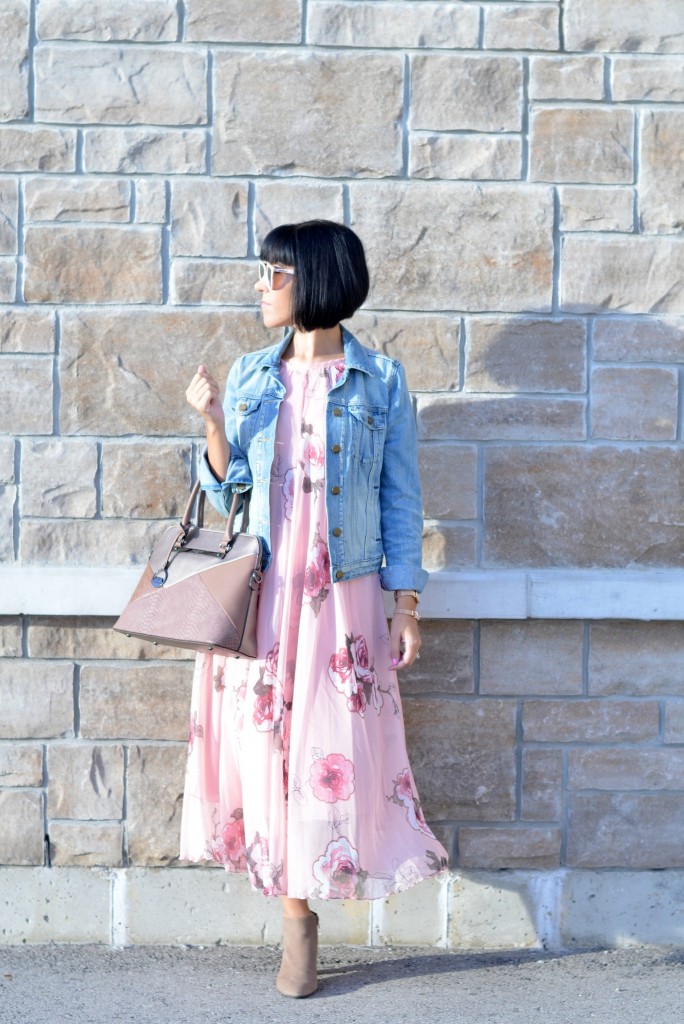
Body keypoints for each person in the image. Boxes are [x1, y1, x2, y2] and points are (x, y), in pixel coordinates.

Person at [181, 220, 448, 997]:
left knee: (331, 750)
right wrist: (210, 424)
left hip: (345, 595)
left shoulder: (382, 382)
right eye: (262, 273)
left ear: (317, 280)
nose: (260, 285)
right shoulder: (249, 376)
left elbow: (401, 500)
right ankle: (295, 916)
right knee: (272, 749)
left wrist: (407, 604)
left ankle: (319, 892)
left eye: (274, 273)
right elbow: (228, 493)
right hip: (264, 595)